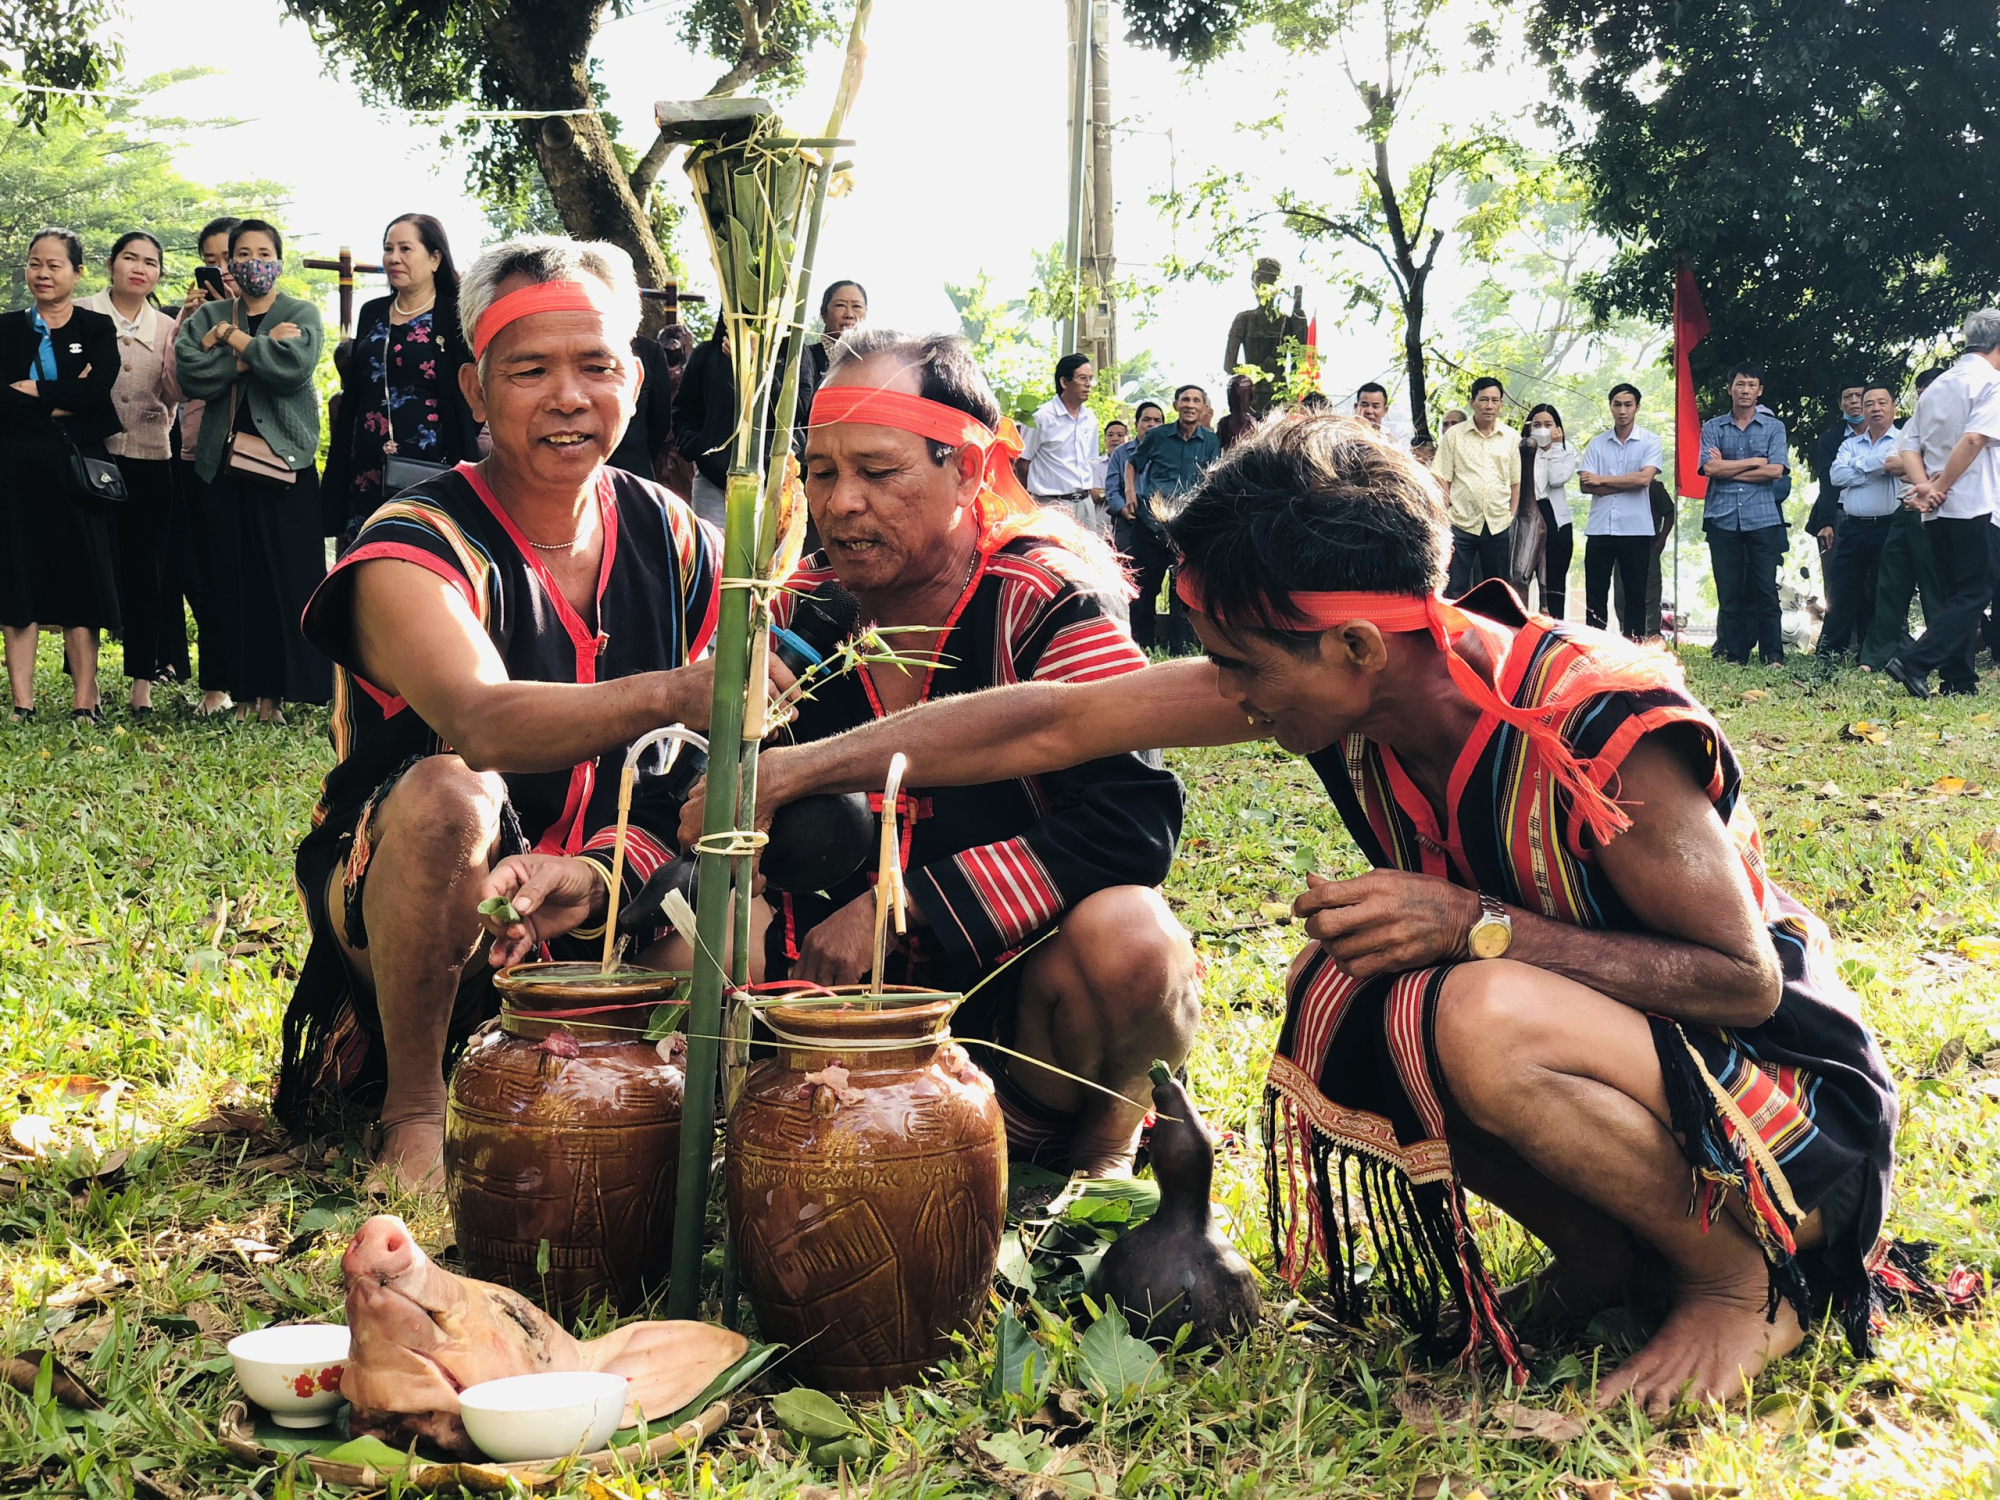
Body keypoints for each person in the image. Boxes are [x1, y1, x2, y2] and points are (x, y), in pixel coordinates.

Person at [736, 415, 1926, 1417]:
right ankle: (1607, 1261)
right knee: (1368, 989)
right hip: (1633, 1055)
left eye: (1243, 668)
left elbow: (1742, 983)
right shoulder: (1346, 682)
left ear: (1357, 643)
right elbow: (1048, 720)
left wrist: (1476, 923)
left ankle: (1740, 1286)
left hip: (1778, 1104)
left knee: (1470, 1004)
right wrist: (787, 773)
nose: (1229, 695)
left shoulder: (1587, 720)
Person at [274, 236, 731, 1193]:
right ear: (477, 392)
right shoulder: (411, 540)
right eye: (532, 370)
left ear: (636, 381)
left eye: (597, 366)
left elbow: (701, 766)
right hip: (429, 893)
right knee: (452, 793)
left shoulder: (679, 535)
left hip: (598, 896)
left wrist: (600, 873)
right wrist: (681, 689)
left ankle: (675, 1095)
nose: (570, 397)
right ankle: (412, 1113)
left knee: (753, 871)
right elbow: (482, 720)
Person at [681, 326, 1195, 1175]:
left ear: (967, 469)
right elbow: (701, 805)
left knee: (1134, 936)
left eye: (878, 472)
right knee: (693, 921)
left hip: (1022, 1037)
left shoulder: (1040, 597)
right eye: (822, 473)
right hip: (834, 1030)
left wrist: (902, 904)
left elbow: (1133, 820)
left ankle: (1097, 1159)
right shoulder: (804, 608)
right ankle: (767, 1116)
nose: (842, 503)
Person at [173, 218, 332, 721]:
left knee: (286, 579)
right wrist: (253, 353)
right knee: (230, 579)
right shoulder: (210, 313)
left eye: (263, 252)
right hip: (219, 466)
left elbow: (293, 369)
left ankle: (276, 696)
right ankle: (241, 694)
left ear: (278, 262)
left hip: (286, 465)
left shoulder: (300, 311)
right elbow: (190, 373)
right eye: (243, 253)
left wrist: (233, 341)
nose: (252, 262)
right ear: (230, 262)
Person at [0, 228, 122, 722]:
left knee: (81, 578)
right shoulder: (5, 329)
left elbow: (97, 396)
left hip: (77, 468)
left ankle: (83, 703)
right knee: (18, 577)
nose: (43, 274)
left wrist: (31, 390)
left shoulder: (95, 328)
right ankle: (22, 703)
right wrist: (60, 398)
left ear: (77, 271)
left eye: (54, 265)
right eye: (35, 264)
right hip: (14, 469)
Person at [81, 231, 189, 712]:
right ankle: (87, 685)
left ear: (159, 275)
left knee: (147, 574)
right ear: (111, 265)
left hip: (149, 458)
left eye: (150, 262)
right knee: (88, 570)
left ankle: (141, 685)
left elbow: (177, 392)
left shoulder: (169, 327)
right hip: (89, 457)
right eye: (130, 258)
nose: (139, 268)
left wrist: (189, 333)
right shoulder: (81, 313)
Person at [324, 214, 480, 541]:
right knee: (365, 549)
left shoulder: (455, 316)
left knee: (424, 549)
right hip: (366, 460)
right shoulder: (372, 311)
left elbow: (473, 391)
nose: (393, 258)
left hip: (432, 461)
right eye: (388, 249)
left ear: (435, 258)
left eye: (405, 248)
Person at [1884, 309, 2000, 698]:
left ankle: (1959, 680)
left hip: (1935, 512)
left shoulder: (1937, 386)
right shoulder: (1990, 383)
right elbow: (1973, 440)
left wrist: (1925, 488)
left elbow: (1909, 445)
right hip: (1975, 503)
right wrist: (1944, 486)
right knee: (1976, 592)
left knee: (1952, 594)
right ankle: (1914, 661)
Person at [175, 215, 240, 715]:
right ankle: (215, 684)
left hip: (260, 463)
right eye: (212, 260)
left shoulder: (269, 314)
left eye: (232, 257)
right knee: (206, 577)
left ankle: (263, 685)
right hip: (198, 456)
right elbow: (174, 386)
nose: (222, 269)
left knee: (254, 574)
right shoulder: (193, 317)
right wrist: (190, 322)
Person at [1699, 363, 1792, 666]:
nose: (1745, 390)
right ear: (1730, 389)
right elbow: (1709, 469)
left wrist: (1728, 469)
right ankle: (1735, 654)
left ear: (1759, 391)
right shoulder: (1713, 427)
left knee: (1766, 588)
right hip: (1722, 518)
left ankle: (1773, 653)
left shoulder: (1774, 427)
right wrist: (1754, 462)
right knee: (1729, 590)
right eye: (1740, 384)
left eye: (1752, 385)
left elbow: (1776, 470)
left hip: (1763, 519)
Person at [1862, 367, 1945, 672]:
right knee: (1890, 586)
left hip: (1935, 515)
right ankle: (1876, 658)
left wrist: (1915, 466)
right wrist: (1926, 469)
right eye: (1921, 391)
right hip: (1904, 511)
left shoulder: (1956, 425)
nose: (1927, 395)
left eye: (1931, 389)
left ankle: (1939, 659)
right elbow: (1892, 462)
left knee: (1934, 590)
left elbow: (1955, 465)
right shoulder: (1912, 425)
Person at [1130, 385, 1220, 655]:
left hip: (1187, 529)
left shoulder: (1211, 441)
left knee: (1184, 590)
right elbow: (1133, 463)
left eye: (1196, 400)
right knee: (1145, 589)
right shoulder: (1157, 436)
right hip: (1150, 525)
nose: (1190, 405)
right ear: (1175, 405)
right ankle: (1142, 646)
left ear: (1204, 408)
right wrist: (1129, 493)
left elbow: (1212, 479)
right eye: (1185, 400)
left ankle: (1180, 649)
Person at [1813, 386, 1902, 660]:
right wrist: (1877, 467)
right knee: (1841, 591)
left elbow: (1899, 465)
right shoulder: (1849, 444)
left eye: (1881, 403)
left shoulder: (1903, 440)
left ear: (1894, 406)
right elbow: (1836, 476)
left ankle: (1874, 654)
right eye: (1869, 404)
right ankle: (1830, 652)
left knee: (1881, 591)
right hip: (1852, 527)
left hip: (1888, 526)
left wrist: (1858, 467)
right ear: (1862, 410)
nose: (1875, 408)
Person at [1578, 383, 1666, 639]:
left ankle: (1633, 644)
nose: (1622, 410)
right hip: (1599, 528)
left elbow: (1644, 481)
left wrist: (1603, 481)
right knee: (1595, 593)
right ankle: (1594, 645)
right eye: (1617, 404)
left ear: (1637, 407)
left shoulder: (1650, 441)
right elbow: (1585, 486)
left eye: (1628, 405)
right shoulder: (1597, 444)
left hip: (1635, 528)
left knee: (1635, 594)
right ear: (1611, 407)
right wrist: (1627, 482)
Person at [1432, 376, 1520, 598]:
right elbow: (1442, 476)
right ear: (1472, 402)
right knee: (1454, 586)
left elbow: (1515, 481)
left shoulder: (1510, 437)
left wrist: (1510, 515)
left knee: (1497, 588)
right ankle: (1453, 632)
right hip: (1460, 522)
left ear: (1501, 404)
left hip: (1497, 523)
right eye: (1483, 399)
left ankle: (1493, 632)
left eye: (1494, 400)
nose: (1489, 406)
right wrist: (1446, 512)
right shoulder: (1454, 435)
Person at [1021, 353, 1102, 535]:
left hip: (1085, 503)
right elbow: (1022, 463)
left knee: (1088, 560)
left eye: (1090, 379)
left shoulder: (1090, 419)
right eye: (1082, 378)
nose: (1088, 384)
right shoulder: (1042, 417)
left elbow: (1090, 461)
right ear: (1064, 382)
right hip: (1052, 504)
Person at [1221, 257, 1307, 416]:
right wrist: (1256, 372)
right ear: (1252, 282)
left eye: (1272, 278)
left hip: (1281, 401)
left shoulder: (1288, 322)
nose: (1265, 284)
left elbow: (1300, 366)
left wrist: (1299, 322)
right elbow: (1229, 365)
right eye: (1260, 278)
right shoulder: (1243, 319)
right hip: (1249, 400)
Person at [1114, 401, 1168, 644]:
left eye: (1158, 421)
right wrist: (1125, 508)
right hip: (1131, 524)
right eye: (1147, 420)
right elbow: (1111, 488)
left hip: (1163, 526)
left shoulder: (1169, 449)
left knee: (1164, 585)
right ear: (1137, 425)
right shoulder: (1122, 453)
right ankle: (1136, 639)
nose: (1152, 425)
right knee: (1135, 583)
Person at [1806, 383, 1867, 595]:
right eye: (1847, 397)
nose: (1853, 401)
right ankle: (1837, 629)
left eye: (1858, 396)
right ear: (1840, 404)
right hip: (1839, 513)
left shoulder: (1888, 434)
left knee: (1876, 583)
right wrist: (1826, 522)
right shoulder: (1831, 439)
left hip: (1879, 515)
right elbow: (1827, 480)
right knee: (1837, 584)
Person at [671, 323, 733, 527]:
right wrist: (700, 448)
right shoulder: (706, 355)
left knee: (777, 560)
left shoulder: (790, 353)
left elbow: (799, 409)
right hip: (713, 483)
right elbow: (684, 410)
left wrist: (754, 366)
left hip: (774, 484)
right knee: (711, 555)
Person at [1520, 403, 1576, 618]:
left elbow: (1557, 479)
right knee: (1521, 577)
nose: (1542, 429)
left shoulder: (1566, 452)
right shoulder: (1520, 451)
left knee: (1554, 582)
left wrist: (1554, 449)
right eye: (1537, 425)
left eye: (1548, 425)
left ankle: (1556, 628)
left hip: (1556, 521)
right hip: (1526, 517)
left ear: (1557, 428)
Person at [1354, 382, 1409, 451]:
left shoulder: (1396, 433)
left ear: (1385, 410)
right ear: (1356, 407)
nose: (1369, 411)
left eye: (1375, 406)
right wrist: (1359, 430)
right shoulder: (1345, 433)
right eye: (1365, 405)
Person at [1217, 373, 1256, 449]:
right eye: (1235, 395)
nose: (1240, 400)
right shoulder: (1224, 423)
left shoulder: (1256, 423)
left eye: (1245, 395)